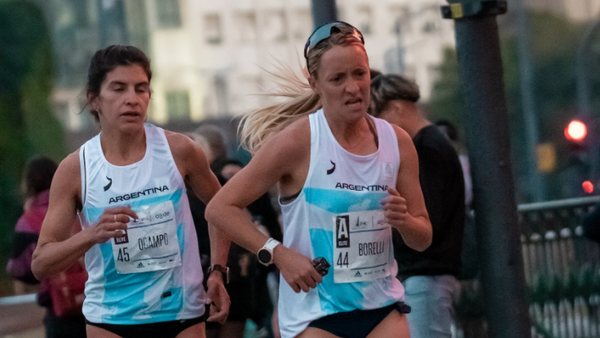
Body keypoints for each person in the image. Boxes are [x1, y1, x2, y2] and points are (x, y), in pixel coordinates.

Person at [206, 21, 432, 338]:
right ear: (315, 83)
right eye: (337, 79)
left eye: (360, 74)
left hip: (382, 310)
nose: (353, 88)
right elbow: (220, 208)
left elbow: (422, 238)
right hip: (317, 316)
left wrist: (405, 221)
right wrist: (279, 254)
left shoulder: (397, 141)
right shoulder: (299, 142)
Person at [31, 45, 230, 338]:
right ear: (94, 99)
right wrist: (91, 234)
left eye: (141, 89)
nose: (132, 99)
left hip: (180, 313)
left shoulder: (180, 151)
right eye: (118, 88)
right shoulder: (77, 168)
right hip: (111, 318)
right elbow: (41, 264)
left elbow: (224, 210)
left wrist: (217, 271)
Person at [369, 73, 465, 338]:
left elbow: (425, 220)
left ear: (396, 108)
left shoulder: (425, 148)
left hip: (426, 273)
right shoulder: (433, 142)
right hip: (429, 273)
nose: (377, 127)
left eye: (378, 116)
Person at [6, 156, 87, 338]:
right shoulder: (82, 207)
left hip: (61, 312)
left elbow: (21, 270)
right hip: (100, 305)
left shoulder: (29, 221)